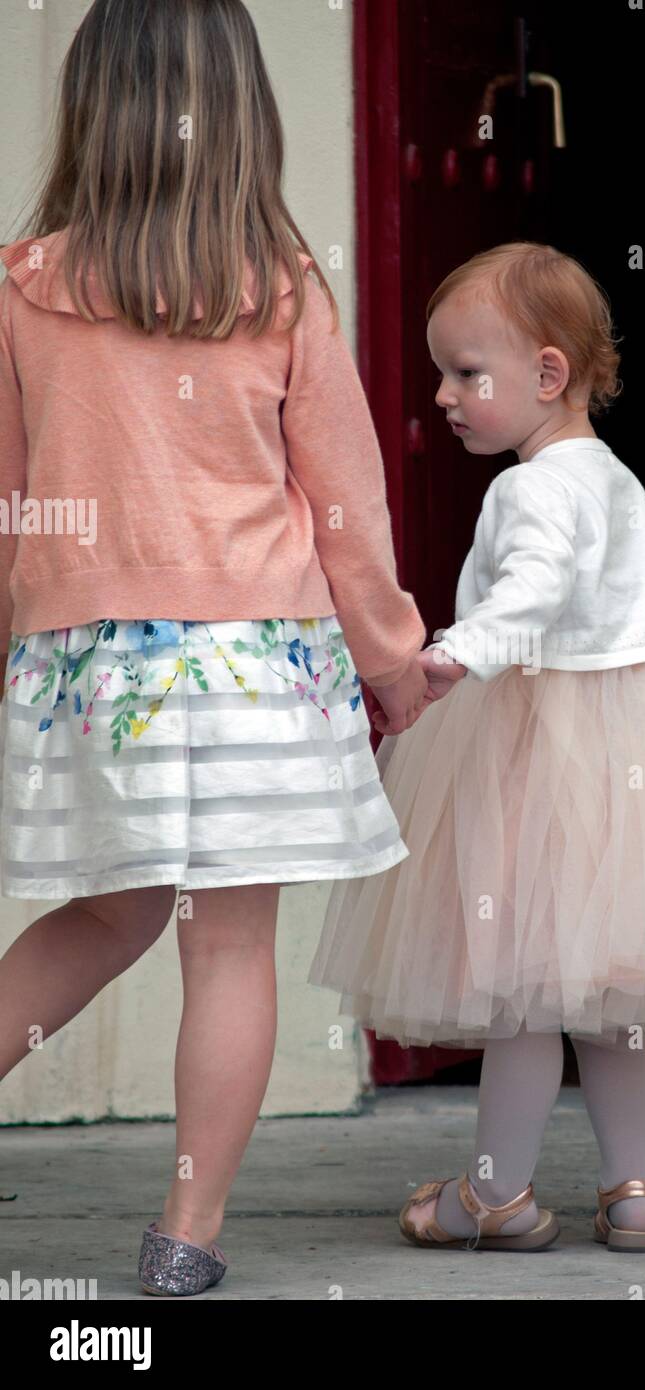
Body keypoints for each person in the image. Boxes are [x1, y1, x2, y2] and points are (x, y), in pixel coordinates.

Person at [0, 0, 428, 1296]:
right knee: (228, 943)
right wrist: (393, 663)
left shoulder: (22, 284)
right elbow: (346, 506)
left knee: (104, 912)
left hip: (95, 670)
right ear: (238, 113)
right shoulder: (279, 287)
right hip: (256, 666)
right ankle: (185, 1235)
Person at [308, 240, 645, 1254]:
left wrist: (454, 655)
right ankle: (635, 1188)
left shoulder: (531, 490)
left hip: (545, 746)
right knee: (613, 993)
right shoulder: (620, 482)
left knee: (523, 992)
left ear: (547, 374)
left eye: (466, 373)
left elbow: (535, 594)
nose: (444, 395)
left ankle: (497, 1196)